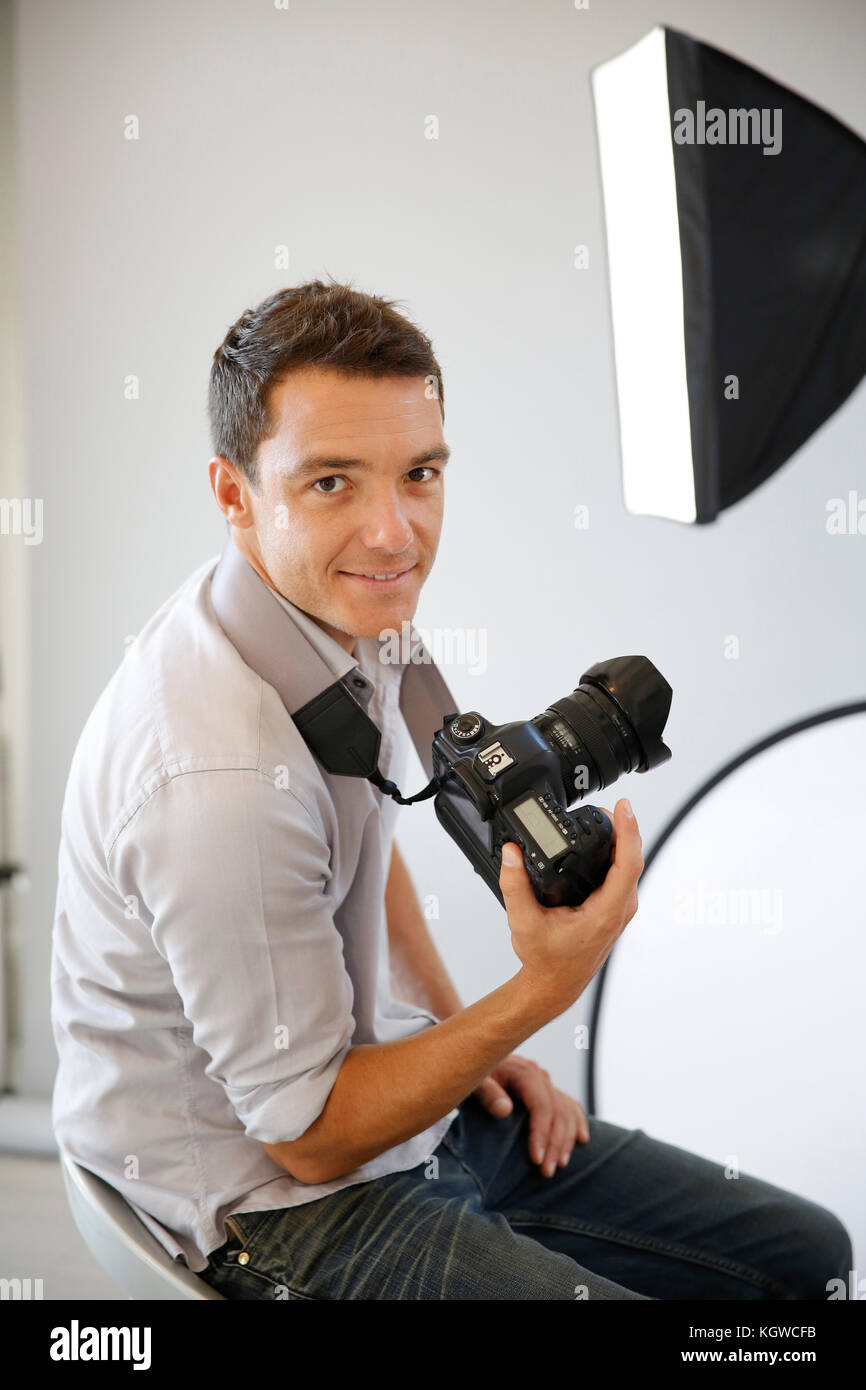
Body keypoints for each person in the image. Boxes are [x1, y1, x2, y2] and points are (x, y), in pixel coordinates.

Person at [51, 279, 853, 1300]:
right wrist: (536, 998)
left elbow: (353, 827)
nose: (394, 534)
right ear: (233, 493)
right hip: (278, 1201)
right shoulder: (220, 781)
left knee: (807, 1258)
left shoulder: (326, 612)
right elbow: (309, 1137)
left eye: (419, 474)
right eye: (331, 482)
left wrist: (452, 1028)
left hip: (367, 1111)